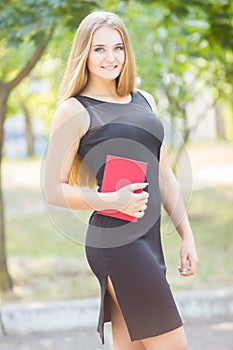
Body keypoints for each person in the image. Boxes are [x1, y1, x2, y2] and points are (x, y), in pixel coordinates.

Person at [44, 10, 198, 350]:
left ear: (127, 52)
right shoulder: (74, 110)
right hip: (115, 240)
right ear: (84, 53)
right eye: (99, 49)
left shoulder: (145, 101)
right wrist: (111, 200)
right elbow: (53, 190)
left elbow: (164, 175)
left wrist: (186, 234)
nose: (110, 57)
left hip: (150, 239)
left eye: (118, 48)